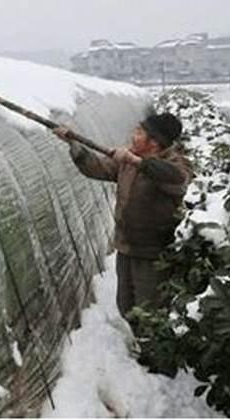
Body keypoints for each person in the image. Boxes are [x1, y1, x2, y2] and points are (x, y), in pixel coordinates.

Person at [53, 113, 192, 319]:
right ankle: (139, 340)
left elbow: (176, 178)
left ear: (154, 142)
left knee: (150, 309)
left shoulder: (174, 165)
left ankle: (151, 348)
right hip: (127, 246)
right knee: (126, 305)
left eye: (139, 132)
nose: (133, 136)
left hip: (154, 253)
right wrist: (74, 146)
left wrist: (137, 161)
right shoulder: (128, 160)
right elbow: (98, 168)